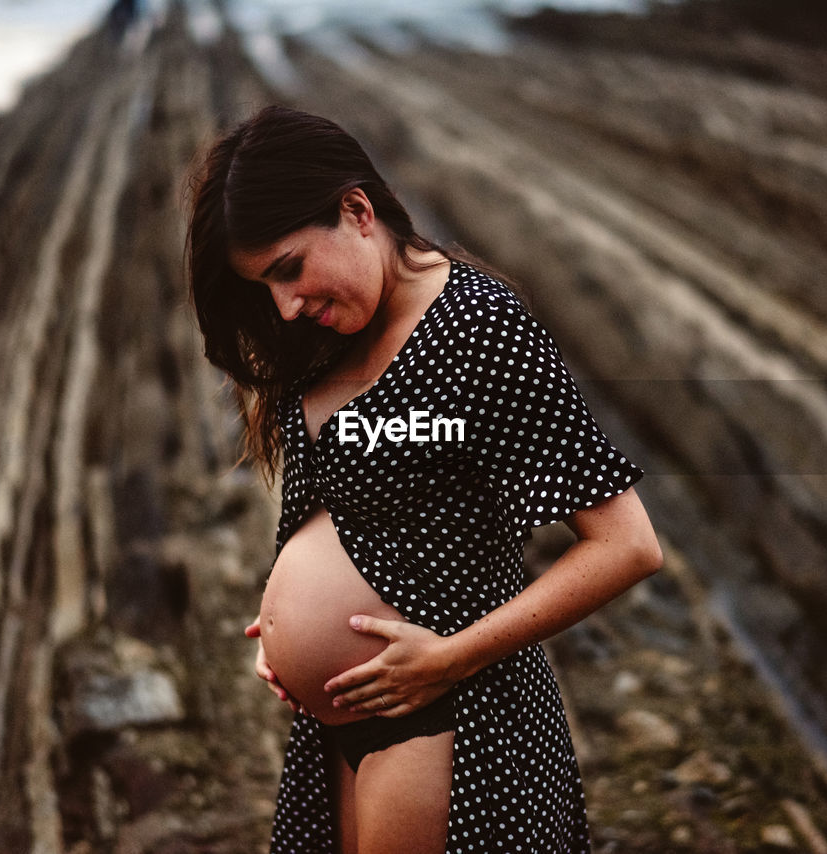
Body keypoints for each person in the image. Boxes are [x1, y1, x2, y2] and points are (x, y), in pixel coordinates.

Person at [186, 104, 663, 854]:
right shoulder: (318, 338)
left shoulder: (479, 328)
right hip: (331, 729)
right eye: (266, 286)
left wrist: (451, 658)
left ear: (356, 210)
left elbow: (627, 546)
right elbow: (342, 512)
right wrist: (280, 636)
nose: (286, 303)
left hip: (456, 715)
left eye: (289, 268)